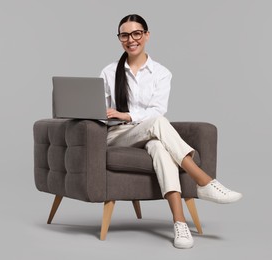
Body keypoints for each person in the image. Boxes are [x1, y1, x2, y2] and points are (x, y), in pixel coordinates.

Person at [100, 14, 242, 249]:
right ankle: (203, 180)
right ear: (119, 39)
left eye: (136, 33)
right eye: (124, 35)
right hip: (118, 136)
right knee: (157, 122)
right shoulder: (108, 72)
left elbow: (158, 109)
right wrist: (113, 115)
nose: (130, 39)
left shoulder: (161, 73)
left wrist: (129, 114)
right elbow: (100, 110)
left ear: (146, 35)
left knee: (159, 146)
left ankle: (179, 222)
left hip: (149, 134)